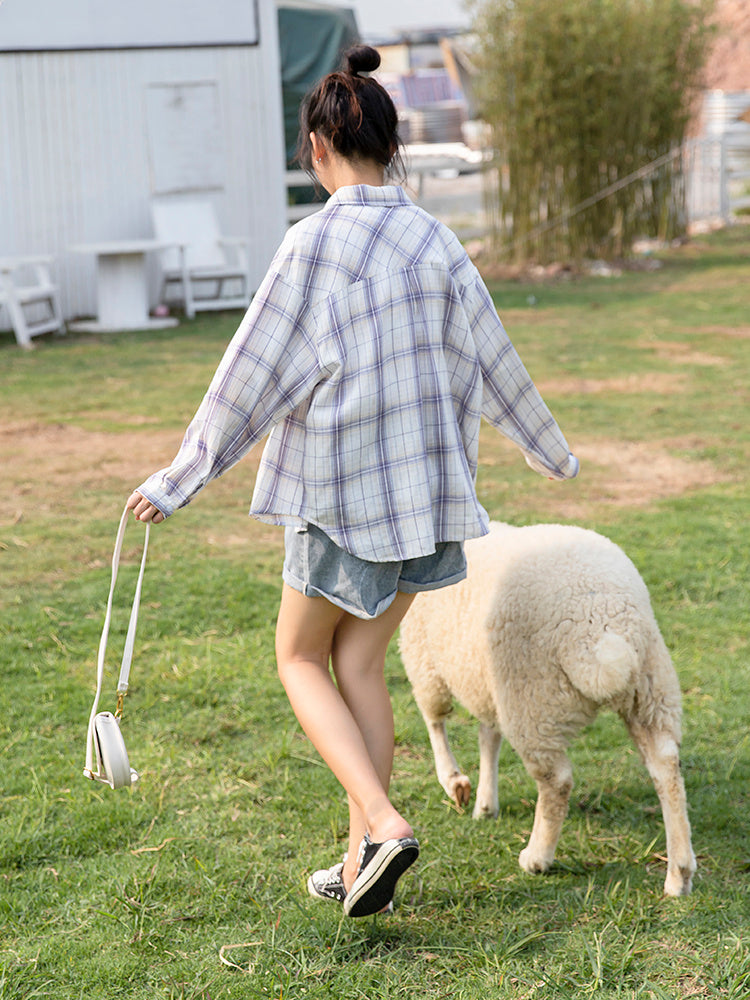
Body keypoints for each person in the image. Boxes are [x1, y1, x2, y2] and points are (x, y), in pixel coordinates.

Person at [126, 44, 579, 918]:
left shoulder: (314, 245)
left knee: (298, 657)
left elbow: (248, 375)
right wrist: (549, 451)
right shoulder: (435, 238)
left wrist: (182, 477)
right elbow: (496, 359)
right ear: (390, 146)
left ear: (318, 148)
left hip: (343, 498)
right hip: (426, 509)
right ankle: (360, 858)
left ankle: (382, 821)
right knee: (361, 665)